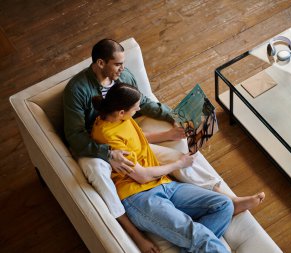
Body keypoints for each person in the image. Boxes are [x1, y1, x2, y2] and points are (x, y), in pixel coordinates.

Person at [91, 82, 265, 252]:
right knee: (198, 236)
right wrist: (179, 164)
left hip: (164, 185)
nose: (138, 110)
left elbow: (137, 138)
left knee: (224, 204)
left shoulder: (120, 119)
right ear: (122, 112)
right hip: (140, 198)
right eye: (135, 108)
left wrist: (169, 135)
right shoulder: (107, 135)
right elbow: (142, 176)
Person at [63, 38, 182, 252]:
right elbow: (75, 135)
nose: (123, 68)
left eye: (123, 63)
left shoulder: (123, 76)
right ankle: (135, 235)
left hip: (122, 136)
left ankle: (219, 192)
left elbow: (142, 102)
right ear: (100, 63)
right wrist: (107, 153)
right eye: (117, 64)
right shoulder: (77, 89)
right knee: (99, 173)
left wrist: (170, 115)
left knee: (176, 155)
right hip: (92, 145)